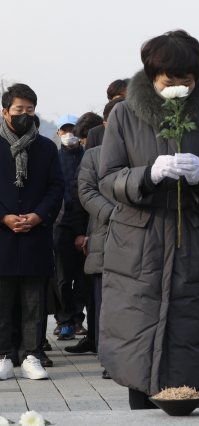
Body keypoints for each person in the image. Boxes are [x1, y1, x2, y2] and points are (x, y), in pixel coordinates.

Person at [98, 29, 199, 410]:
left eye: (186, 82)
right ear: (151, 76)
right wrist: (146, 175)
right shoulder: (125, 114)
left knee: (187, 339)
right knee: (138, 343)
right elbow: (107, 178)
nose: (178, 88)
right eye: (169, 81)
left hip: (191, 242)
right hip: (138, 248)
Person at [0, 83, 65, 381]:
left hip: (36, 235)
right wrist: (5, 217)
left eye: (29, 110)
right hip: (3, 235)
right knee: (3, 300)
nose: (24, 115)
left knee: (34, 302)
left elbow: (56, 187)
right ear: (5, 112)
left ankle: (31, 354)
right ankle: (2, 355)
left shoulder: (46, 148)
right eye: (18, 110)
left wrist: (38, 216)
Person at [77, 101, 120, 379]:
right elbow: (86, 192)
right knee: (105, 304)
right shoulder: (93, 156)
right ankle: (109, 359)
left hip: (140, 239)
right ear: (105, 123)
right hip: (105, 236)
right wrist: (115, 214)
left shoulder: (143, 152)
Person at [62, 112, 103, 355]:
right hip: (86, 229)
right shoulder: (89, 156)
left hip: (101, 230)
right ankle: (93, 335)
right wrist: (80, 232)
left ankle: (99, 338)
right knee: (88, 286)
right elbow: (80, 196)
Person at [54, 114, 89, 342]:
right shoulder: (53, 158)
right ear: (58, 133)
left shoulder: (87, 157)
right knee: (63, 277)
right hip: (60, 225)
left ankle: (77, 318)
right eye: (65, 130)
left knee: (84, 276)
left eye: (73, 130)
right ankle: (64, 320)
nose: (69, 135)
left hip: (85, 224)